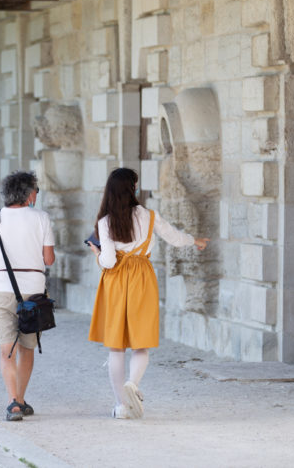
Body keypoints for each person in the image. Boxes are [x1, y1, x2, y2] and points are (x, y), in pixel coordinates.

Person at [87, 167, 210, 419]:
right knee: (140, 342)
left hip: (116, 281)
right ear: (133, 189)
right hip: (142, 277)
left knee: (116, 346)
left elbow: (109, 262)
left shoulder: (105, 221)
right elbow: (174, 237)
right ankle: (133, 384)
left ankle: (122, 405)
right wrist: (194, 240)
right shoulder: (148, 215)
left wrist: (97, 255)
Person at [0, 170, 55, 422]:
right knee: (27, 348)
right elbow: (49, 259)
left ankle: (13, 403)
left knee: (6, 350)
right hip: (33, 292)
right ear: (30, 194)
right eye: (36, 192)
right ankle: (20, 399)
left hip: (2, 288)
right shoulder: (41, 218)